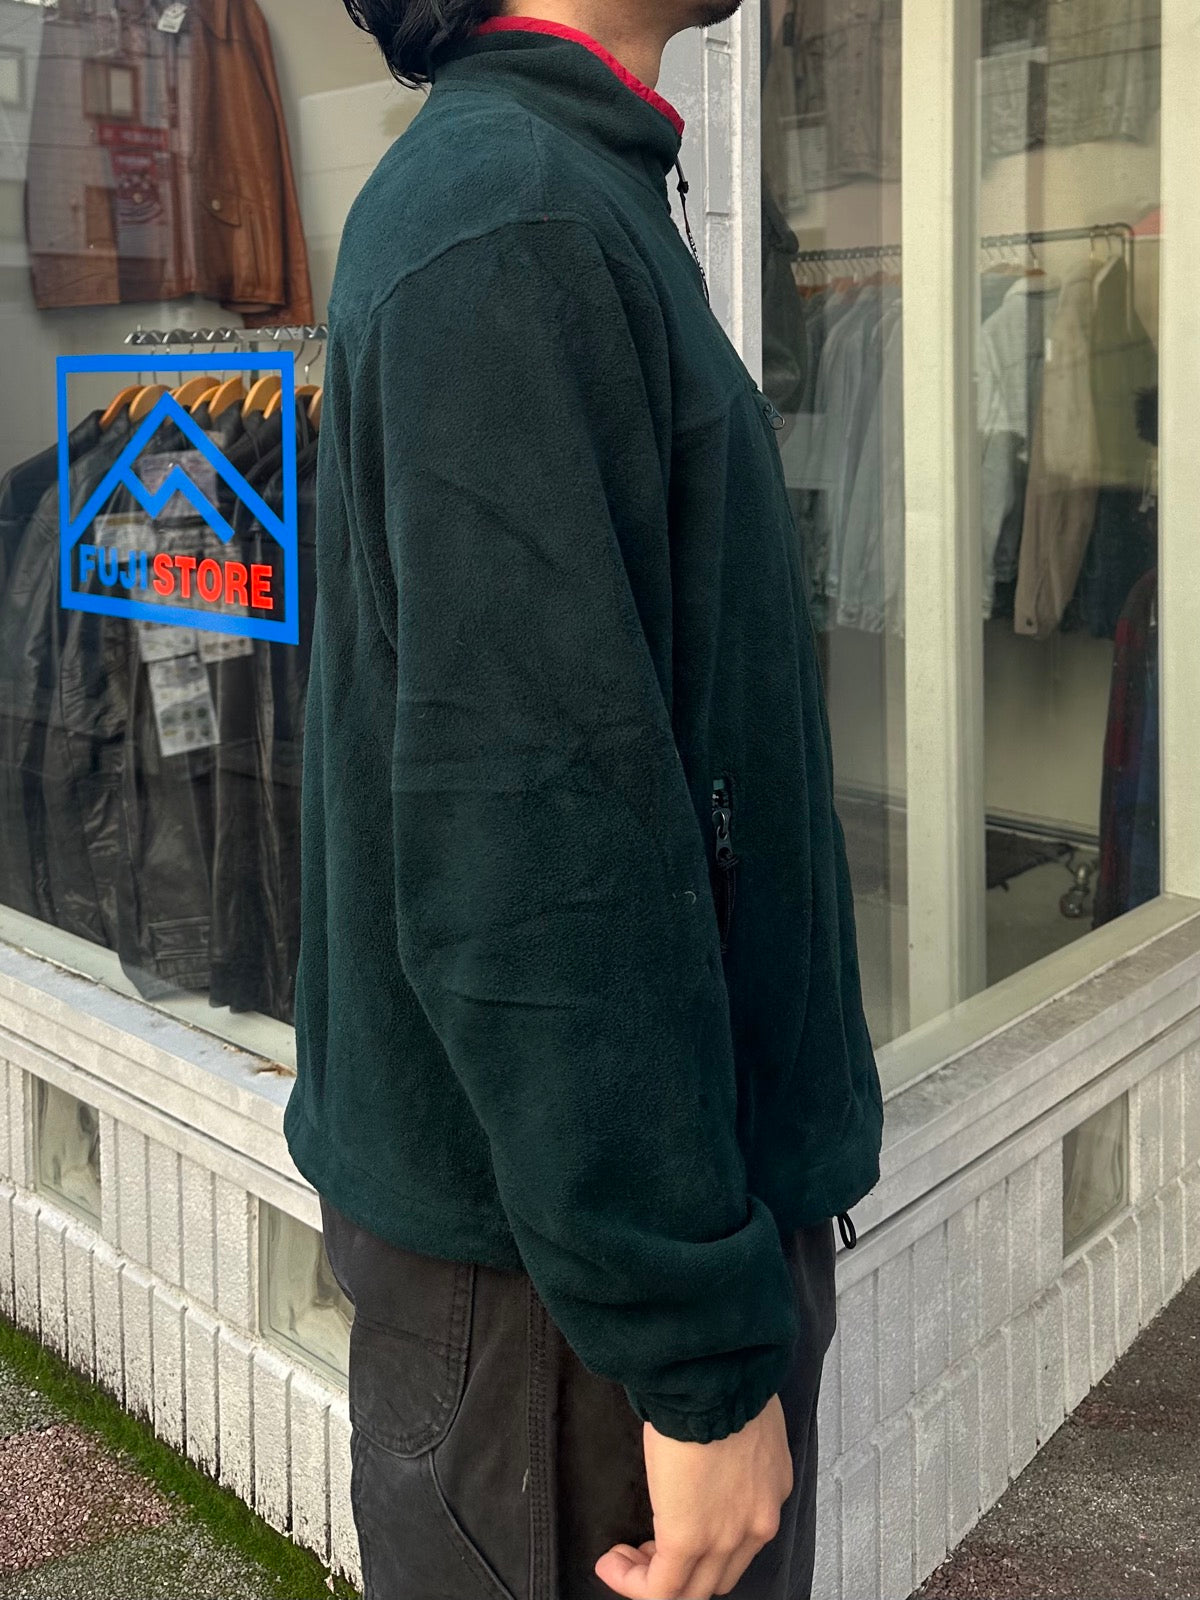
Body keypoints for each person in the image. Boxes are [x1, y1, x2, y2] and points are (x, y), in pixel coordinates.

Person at [282, 2, 885, 1596]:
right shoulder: (509, 217)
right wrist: (694, 1356)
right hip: (562, 1325)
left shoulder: (564, 183)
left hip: (583, 1284)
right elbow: (533, 855)